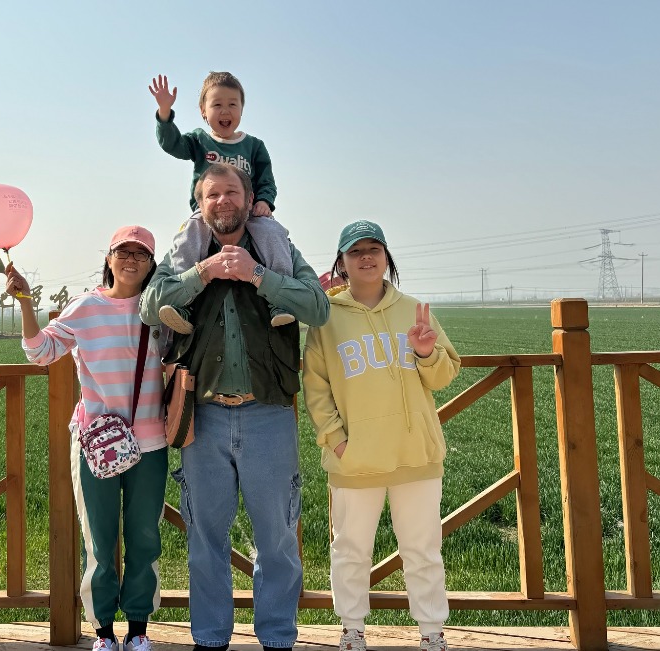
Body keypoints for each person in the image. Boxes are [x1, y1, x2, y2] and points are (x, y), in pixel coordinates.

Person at [139, 163, 330, 651]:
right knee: (206, 542)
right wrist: (202, 274)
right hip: (202, 419)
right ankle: (209, 639)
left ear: (249, 200)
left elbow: (318, 306)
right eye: (211, 195)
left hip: (268, 413)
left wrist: (258, 276)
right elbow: (150, 303)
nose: (222, 201)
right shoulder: (188, 252)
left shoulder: (277, 251)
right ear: (199, 205)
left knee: (278, 542)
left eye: (231, 192)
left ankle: (277, 639)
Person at [301, 220, 461, 651]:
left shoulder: (414, 309)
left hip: (415, 453)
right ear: (341, 264)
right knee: (350, 549)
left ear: (388, 258)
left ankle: (432, 631)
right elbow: (315, 389)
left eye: (374, 249)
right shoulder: (325, 319)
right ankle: (352, 628)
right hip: (355, 459)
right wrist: (337, 441)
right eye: (356, 252)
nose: (366, 257)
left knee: (423, 549)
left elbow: (445, 375)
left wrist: (426, 352)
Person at [9, 226, 167, 651]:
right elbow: (41, 351)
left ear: (152, 264)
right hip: (97, 444)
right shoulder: (86, 307)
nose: (131, 259)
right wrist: (26, 303)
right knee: (98, 539)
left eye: (141, 254)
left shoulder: (161, 308)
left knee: (144, 538)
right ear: (109, 258)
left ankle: (138, 629)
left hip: (151, 442)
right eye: (123, 251)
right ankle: (103, 631)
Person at [149, 71, 295, 334]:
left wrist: (265, 202)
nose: (225, 110)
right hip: (207, 216)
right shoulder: (199, 141)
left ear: (241, 109)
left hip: (247, 214)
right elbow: (172, 144)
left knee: (275, 233)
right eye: (217, 104)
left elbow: (266, 180)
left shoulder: (254, 145)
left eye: (232, 104)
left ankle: (280, 299)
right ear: (204, 112)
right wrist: (164, 113)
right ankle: (183, 303)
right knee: (187, 238)